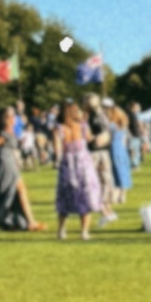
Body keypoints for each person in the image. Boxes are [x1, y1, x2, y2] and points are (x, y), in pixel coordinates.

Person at [54, 101, 104, 240]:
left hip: (67, 163)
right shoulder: (82, 126)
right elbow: (90, 139)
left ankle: (62, 230)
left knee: (66, 196)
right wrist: (101, 136)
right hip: (83, 163)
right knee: (86, 195)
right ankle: (84, 232)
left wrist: (58, 162)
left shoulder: (59, 128)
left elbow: (58, 149)